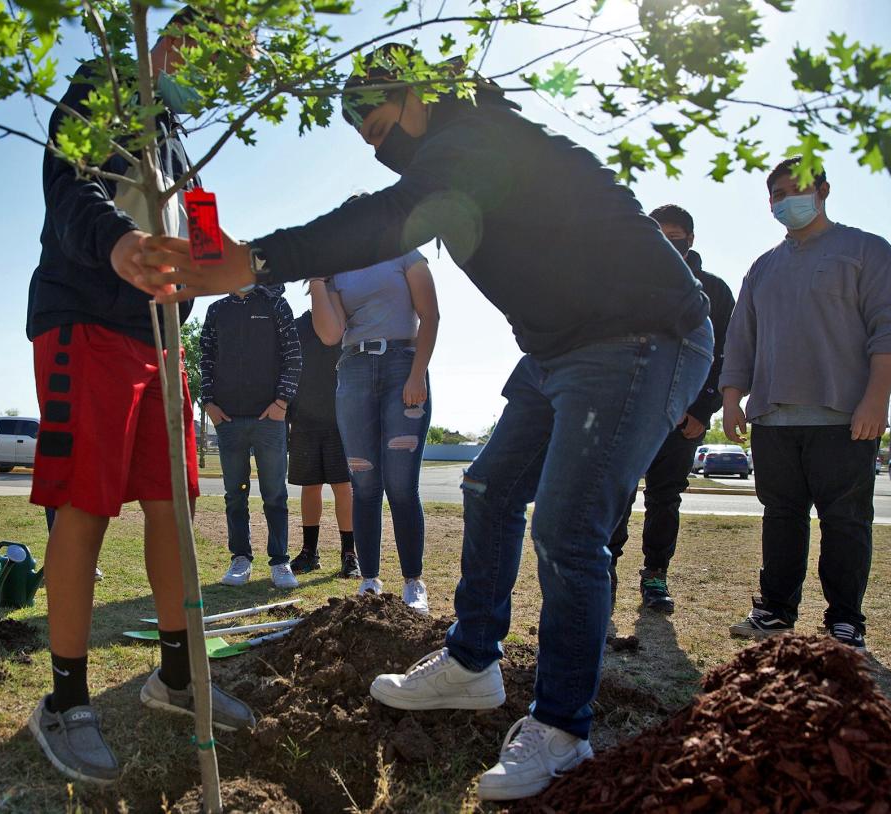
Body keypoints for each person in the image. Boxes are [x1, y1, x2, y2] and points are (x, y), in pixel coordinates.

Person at [136, 43, 712, 802]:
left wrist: (255, 259)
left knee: (569, 529)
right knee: (489, 491)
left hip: (643, 336)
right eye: (367, 144)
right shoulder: (447, 158)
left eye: (381, 128)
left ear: (418, 95)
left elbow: (384, 221)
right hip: (558, 350)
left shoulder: (479, 143)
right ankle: (474, 663)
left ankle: (564, 732)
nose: (381, 151)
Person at [24, 7, 255, 786]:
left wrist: (226, 266)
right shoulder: (107, 88)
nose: (228, 80)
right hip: (86, 321)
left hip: (160, 340)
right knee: (85, 504)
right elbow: (67, 185)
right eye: (219, 60)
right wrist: (119, 245)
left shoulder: (185, 148)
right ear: (170, 42)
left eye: (241, 73)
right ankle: (64, 700)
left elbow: (206, 244)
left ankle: (178, 677)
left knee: (173, 504)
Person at [722, 156, 891, 652]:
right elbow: (740, 339)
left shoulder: (865, 251)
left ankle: (845, 622)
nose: (786, 200)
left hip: (845, 417)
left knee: (846, 521)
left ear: (823, 190)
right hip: (772, 418)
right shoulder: (762, 268)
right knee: (781, 517)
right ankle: (774, 613)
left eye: (796, 189)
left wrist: (875, 400)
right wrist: (731, 399)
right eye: (776, 194)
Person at [305, 201, 439, 612]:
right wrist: (317, 279)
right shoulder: (338, 271)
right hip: (355, 369)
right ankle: (369, 580)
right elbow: (330, 334)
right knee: (364, 484)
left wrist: (417, 374)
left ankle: (413, 581)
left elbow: (430, 314)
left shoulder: (404, 252)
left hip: (403, 366)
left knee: (400, 485)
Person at [608, 204, 735, 614]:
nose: (666, 243)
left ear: (691, 240)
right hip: (630, 412)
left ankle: (655, 575)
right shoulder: (627, 284)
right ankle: (604, 567)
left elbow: (725, 355)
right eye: (657, 234)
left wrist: (702, 409)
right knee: (618, 493)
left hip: (683, 422)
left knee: (665, 499)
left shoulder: (713, 291)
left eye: (675, 236)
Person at [199, 283, 302, 589]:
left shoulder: (276, 306)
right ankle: (240, 558)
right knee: (235, 495)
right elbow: (205, 358)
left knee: (275, 495)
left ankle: (280, 561)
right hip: (227, 419)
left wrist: (281, 402)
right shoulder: (216, 310)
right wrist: (209, 403)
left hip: (269, 418)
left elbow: (294, 356)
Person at [286, 306, 359, 578]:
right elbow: (287, 368)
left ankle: (349, 555)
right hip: (304, 420)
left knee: (344, 487)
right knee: (310, 486)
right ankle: (309, 553)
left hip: (342, 420)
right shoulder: (297, 326)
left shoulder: (348, 323)